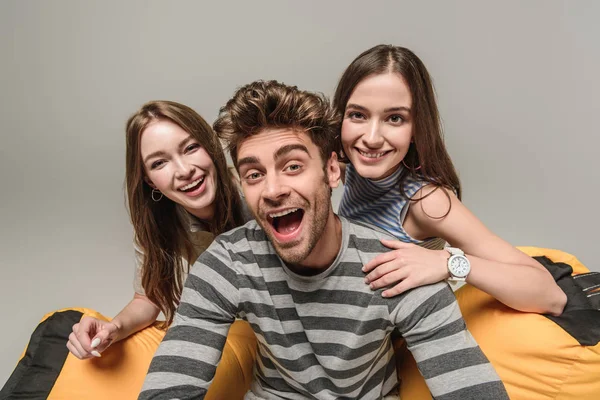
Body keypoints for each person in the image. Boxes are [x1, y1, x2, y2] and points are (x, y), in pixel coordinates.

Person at [139, 80, 509, 399]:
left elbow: (471, 387)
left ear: (332, 170)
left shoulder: (397, 265)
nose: (272, 190)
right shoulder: (228, 262)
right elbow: (170, 384)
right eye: (254, 174)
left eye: (293, 166)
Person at [334, 44, 566, 315]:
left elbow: (549, 295)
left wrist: (448, 262)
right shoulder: (345, 166)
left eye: (395, 118)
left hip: (405, 345)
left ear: (416, 128)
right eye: (358, 115)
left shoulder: (425, 201)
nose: (372, 138)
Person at [66, 100, 251, 359]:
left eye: (190, 148)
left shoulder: (256, 191)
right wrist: (113, 328)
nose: (185, 171)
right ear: (148, 180)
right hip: (220, 353)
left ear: (210, 145)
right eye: (159, 163)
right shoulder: (157, 225)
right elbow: (148, 299)